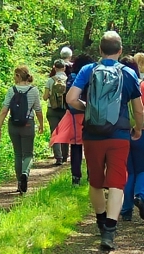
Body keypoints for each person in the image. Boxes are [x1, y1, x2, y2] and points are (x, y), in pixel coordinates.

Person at [66, 31, 144, 250]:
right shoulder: (128, 73)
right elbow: (138, 110)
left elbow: (71, 99)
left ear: (100, 50)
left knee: (96, 181)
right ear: (120, 51)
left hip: (92, 134)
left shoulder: (88, 70)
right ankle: (110, 230)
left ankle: (101, 221)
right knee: (117, 181)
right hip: (119, 135)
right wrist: (137, 129)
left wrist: (87, 107)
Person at [118, 55, 144, 222]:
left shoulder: (117, 86)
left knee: (128, 171)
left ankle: (126, 209)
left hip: (122, 132)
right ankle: (141, 196)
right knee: (143, 169)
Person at [50, 54, 95, 186]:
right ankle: (91, 175)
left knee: (75, 147)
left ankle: (76, 177)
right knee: (90, 147)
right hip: (90, 114)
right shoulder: (93, 74)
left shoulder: (73, 77)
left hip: (74, 114)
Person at [0, 65, 44, 193]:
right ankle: (25, 173)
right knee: (28, 154)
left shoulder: (11, 90)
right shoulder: (33, 91)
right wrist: (41, 124)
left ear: (18, 76)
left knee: (18, 154)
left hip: (13, 125)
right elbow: (38, 111)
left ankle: (19, 183)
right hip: (28, 124)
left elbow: (4, 110)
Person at [43, 60, 69, 165]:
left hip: (52, 110)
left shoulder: (50, 80)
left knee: (55, 133)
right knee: (65, 133)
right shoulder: (68, 79)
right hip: (65, 110)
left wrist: (50, 95)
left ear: (54, 68)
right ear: (64, 68)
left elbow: (44, 98)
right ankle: (65, 156)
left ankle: (58, 157)